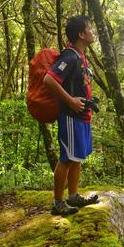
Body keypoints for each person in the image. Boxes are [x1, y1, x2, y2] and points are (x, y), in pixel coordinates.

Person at [43, 15, 99, 216]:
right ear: (81, 34)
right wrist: (71, 101)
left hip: (82, 116)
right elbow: (49, 79)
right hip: (70, 116)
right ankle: (58, 202)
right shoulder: (69, 56)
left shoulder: (81, 56)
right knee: (67, 158)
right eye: (90, 28)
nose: (93, 31)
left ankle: (73, 196)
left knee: (76, 158)